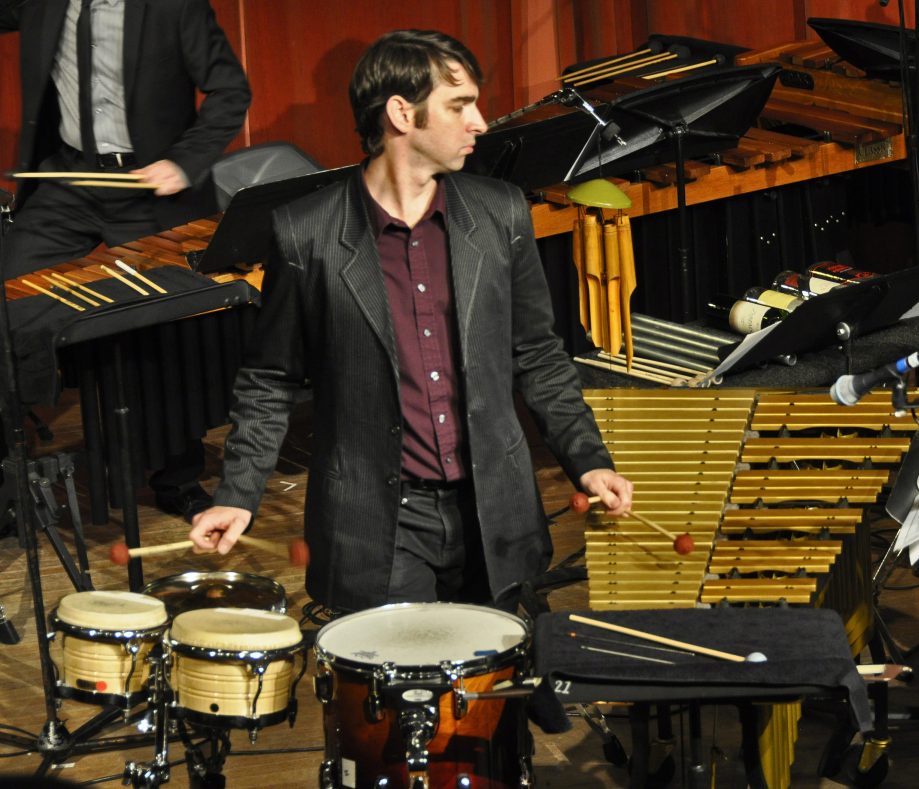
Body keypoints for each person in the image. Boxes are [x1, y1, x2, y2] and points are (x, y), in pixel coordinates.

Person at [189, 28, 633, 614]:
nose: (479, 122)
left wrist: (589, 459)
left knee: (499, 698)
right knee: (401, 698)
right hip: (378, 526)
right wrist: (238, 494)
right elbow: (270, 377)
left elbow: (538, 354)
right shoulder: (307, 232)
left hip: (493, 513)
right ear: (402, 112)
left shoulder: (500, 213)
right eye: (458, 105)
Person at [0, 0, 252, 521]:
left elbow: (231, 91)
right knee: (5, 305)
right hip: (69, 178)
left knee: (167, 327)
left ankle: (175, 471)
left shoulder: (173, 6)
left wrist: (185, 162)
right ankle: (8, 476)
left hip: (151, 183)